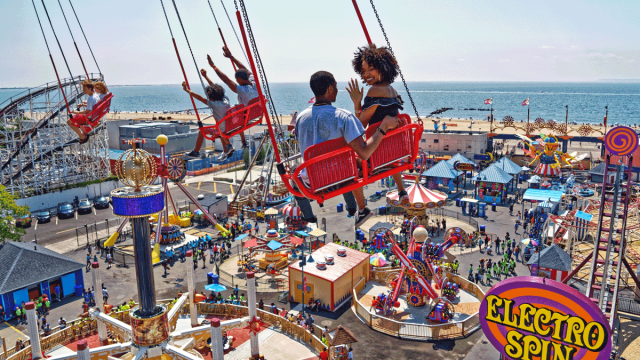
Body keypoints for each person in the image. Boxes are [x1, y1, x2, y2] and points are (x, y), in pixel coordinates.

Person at [294, 71, 400, 227]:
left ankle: (352, 208)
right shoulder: (343, 117)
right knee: (356, 162)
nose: (337, 91)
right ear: (330, 89)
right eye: (336, 87)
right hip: (339, 177)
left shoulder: (300, 118)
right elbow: (364, 152)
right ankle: (357, 207)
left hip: (313, 181)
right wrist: (384, 126)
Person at [347, 44, 409, 204]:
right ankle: (402, 190)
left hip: (377, 154)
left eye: (371, 69)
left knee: (348, 163)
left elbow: (359, 126)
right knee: (386, 141)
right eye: (363, 71)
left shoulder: (374, 91)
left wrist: (356, 104)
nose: (367, 74)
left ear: (383, 67)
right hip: (393, 151)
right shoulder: (392, 91)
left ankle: (360, 208)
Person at [207, 46, 256, 149]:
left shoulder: (243, 91)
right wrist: (231, 57)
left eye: (236, 79)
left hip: (242, 119)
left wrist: (214, 67)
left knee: (220, 124)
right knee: (234, 111)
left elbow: (226, 80)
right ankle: (242, 141)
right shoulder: (254, 82)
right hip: (255, 112)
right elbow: (245, 70)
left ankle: (228, 147)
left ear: (238, 79)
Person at [181, 74, 232, 159]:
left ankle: (196, 152)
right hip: (229, 126)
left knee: (202, 132)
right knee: (219, 129)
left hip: (222, 129)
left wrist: (187, 90)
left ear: (212, 98)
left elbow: (200, 98)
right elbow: (215, 88)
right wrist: (206, 76)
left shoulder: (214, 104)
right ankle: (226, 150)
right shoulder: (226, 99)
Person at [68, 80, 100, 144]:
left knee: (69, 121)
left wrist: (76, 112)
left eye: (85, 89)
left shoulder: (90, 98)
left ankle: (81, 135)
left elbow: (87, 111)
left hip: (89, 118)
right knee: (77, 119)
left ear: (90, 88)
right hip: (94, 116)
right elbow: (93, 107)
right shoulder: (96, 96)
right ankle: (84, 133)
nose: (83, 90)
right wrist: (84, 105)